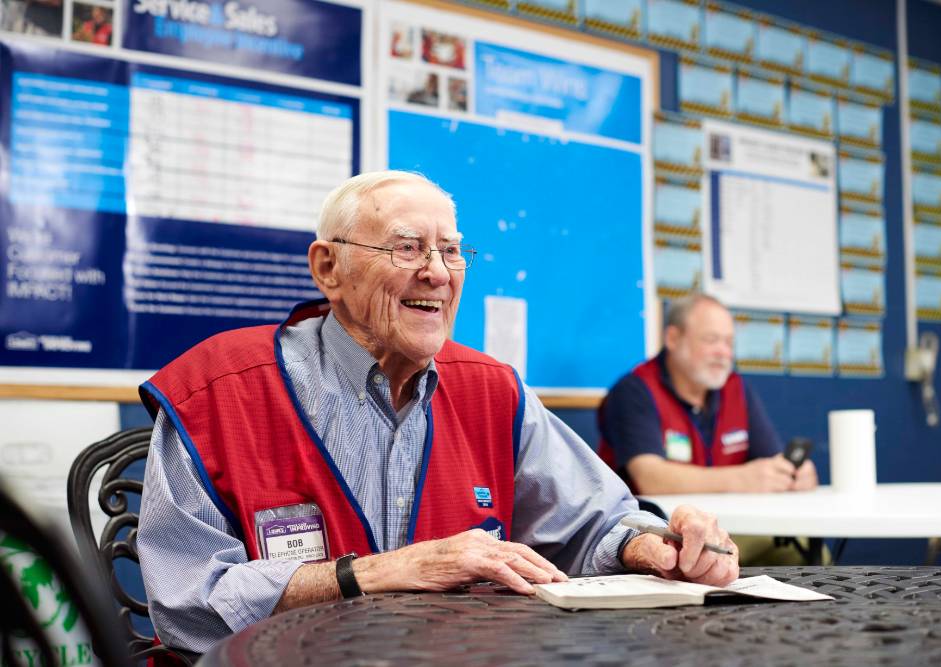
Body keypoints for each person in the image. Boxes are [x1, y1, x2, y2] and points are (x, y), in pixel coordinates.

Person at [136, 171, 738, 652]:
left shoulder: (492, 389)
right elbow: (188, 601)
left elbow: (592, 523)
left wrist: (657, 547)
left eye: (451, 251)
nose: (437, 272)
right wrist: (369, 573)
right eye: (407, 248)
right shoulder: (217, 390)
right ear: (328, 269)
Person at [598, 293, 818, 495]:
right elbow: (651, 479)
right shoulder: (634, 390)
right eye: (711, 340)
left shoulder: (736, 388)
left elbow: (770, 462)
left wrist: (792, 475)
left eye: (729, 342)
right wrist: (742, 479)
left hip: (730, 525)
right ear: (673, 338)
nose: (723, 352)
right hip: (657, 530)